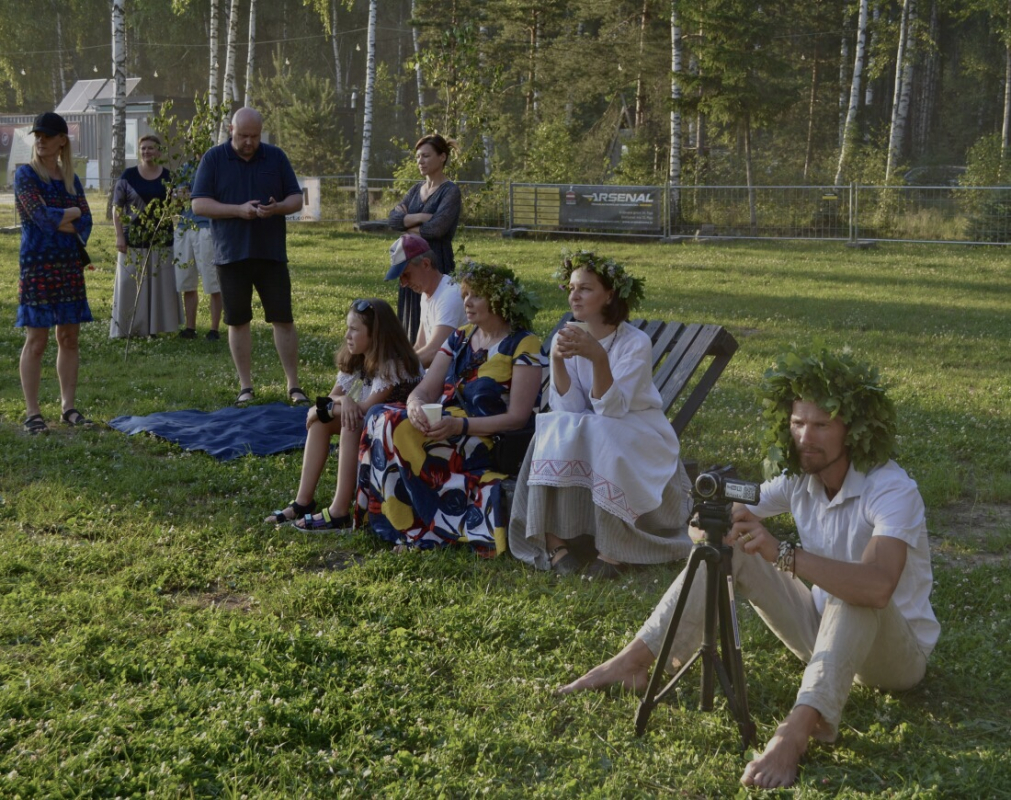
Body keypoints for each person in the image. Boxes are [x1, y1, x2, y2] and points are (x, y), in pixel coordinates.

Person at [558, 344, 940, 790]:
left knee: (853, 591)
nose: (805, 438)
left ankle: (796, 732)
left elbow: (877, 588)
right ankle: (635, 662)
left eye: (821, 425)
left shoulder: (891, 488)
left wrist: (785, 554)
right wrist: (711, 525)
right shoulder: (799, 478)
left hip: (894, 657)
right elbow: (735, 510)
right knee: (733, 548)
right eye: (797, 423)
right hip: (820, 636)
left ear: (852, 429)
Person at [508, 250, 693, 578]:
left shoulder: (635, 343)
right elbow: (570, 408)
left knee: (602, 431)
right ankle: (554, 541)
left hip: (638, 429)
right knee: (550, 426)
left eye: (585, 288)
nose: (574, 295)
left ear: (609, 295)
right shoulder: (572, 334)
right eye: (572, 287)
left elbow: (612, 408)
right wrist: (557, 360)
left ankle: (612, 551)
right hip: (594, 425)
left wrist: (598, 359)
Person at [357, 261, 543, 555]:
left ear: (499, 300)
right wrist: (415, 403)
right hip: (448, 424)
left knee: (395, 426)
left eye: (475, 296)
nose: (466, 301)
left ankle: (420, 530)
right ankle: (400, 521)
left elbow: (518, 418)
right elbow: (428, 387)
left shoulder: (524, 344)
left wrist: (461, 426)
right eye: (465, 294)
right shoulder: (460, 337)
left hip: (486, 437)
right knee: (379, 416)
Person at [264, 298, 423, 531]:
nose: (347, 335)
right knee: (321, 423)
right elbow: (329, 400)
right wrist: (343, 400)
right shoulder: (359, 358)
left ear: (375, 334)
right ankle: (302, 502)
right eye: (347, 328)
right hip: (372, 424)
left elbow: (364, 411)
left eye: (355, 329)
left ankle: (339, 511)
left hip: (400, 433)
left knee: (349, 422)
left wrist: (331, 407)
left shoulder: (393, 364)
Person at [191, 107, 308, 406]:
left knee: (283, 319)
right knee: (238, 321)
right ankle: (246, 386)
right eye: (243, 136)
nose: (248, 142)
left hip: (271, 254)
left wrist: (277, 207)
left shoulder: (275, 157)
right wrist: (238, 210)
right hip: (231, 254)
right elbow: (199, 205)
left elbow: (296, 199)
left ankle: (293, 385)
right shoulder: (214, 159)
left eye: (254, 136)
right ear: (231, 129)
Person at [14, 111, 94, 434]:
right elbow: (40, 218)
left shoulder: (71, 178)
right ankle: (33, 413)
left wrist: (63, 216)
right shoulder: (26, 176)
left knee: (69, 338)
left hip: (69, 267)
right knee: (37, 340)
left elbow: (85, 222)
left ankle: (68, 408)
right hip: (37, 267)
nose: (41, 140)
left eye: (48, 135)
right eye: (38, 135)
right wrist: (70, 213)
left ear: (63, 140)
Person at [388, 134, 462, 343]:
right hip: (409, 263)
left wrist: (408, 225)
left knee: (436, 313)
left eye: (426, 156)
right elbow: (393, 220)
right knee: (411, 315)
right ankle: (413, 365)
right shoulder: (415, 190)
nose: (420, 161)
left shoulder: (450, 192)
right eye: (418, 156)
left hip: (435, 261)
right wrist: (420, 217)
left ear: (442, 157)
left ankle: (433, 364)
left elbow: (436, 229)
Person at [110, 133, 182, 338]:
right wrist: (119, 236)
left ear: (158, 151)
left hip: (161, 240)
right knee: (128, 283)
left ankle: (155, 328)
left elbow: (175, 207)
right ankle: (128, 327)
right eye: (143, 148)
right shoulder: (128, 176)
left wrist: (179, 200)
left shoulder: (169, 177)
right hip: (132, 239)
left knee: (159, 284)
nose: (146, 151)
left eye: (151, 148)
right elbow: (117, 209)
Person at [385, 233, 465, 367]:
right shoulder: (426, 294)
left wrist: (396, 371)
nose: (403, 283)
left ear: (426, 264)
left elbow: (434, 352)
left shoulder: (449, 295)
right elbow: (420, 345)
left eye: (406, 274)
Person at [173, 160, 222, 340]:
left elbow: (215, 196)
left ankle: (214, 329)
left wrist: (192, 196)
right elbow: (178, 199)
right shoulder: (185, 168)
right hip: (184, 227)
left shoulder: (215, 165)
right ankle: (190, 327)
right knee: (186, 281)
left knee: (212, 281)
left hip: (206, 227)